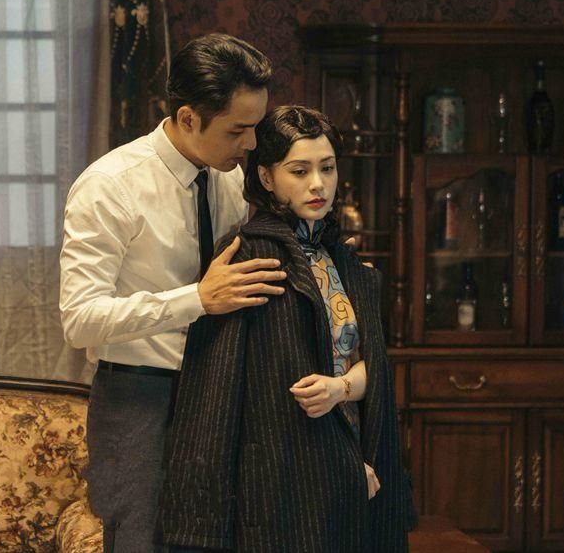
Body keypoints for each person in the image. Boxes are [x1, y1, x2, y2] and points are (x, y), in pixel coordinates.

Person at [59, 34, 288, 552]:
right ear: (188, 118)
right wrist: (196, 300)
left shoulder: (228, 179)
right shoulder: (109, 186)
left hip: (221, 391)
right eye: (238, 130)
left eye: (255, 126)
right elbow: (80, 318)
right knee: (140, 543)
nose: (252, 144)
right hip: (139, 398)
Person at [158, 106, 410, 552]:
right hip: (285, 488)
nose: (318, 184)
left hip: (357, 470)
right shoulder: (249, 258)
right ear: (267, 177)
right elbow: (222, 397)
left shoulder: (345, 260)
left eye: (327, 168)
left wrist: (339, 389)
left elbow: (377, 369)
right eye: (299, 170)